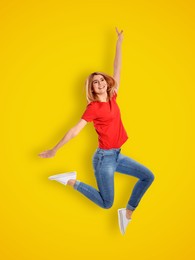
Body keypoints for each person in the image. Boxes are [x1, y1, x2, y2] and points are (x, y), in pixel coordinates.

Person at [38, 27, 155, 235]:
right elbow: (75, 131)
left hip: (117, 155)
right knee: (106, 203)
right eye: (95, 82)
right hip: (104, 159)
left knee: (148, 176)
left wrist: (119, 42)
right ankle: (71, 181)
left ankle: (128, 212)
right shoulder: (93, 108)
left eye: (101, 79)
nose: (100, 83)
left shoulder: (112, 96)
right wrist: (54, 149)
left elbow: (117, 68)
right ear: (91, 89)